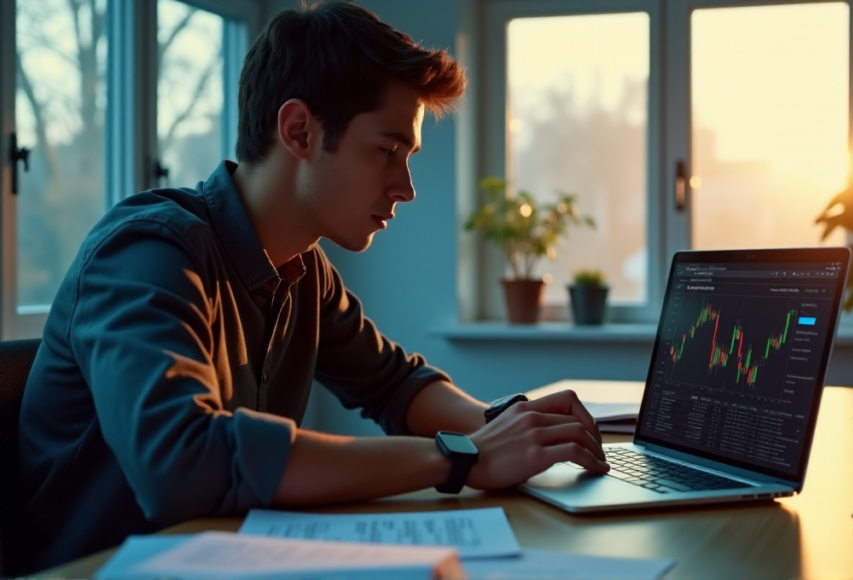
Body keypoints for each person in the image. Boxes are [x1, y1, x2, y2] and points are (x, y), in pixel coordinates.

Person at [16, 1, 609, 572]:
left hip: (224, 560)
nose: (406, 187)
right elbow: (182, 463)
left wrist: (502, 429)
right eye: (387, 151)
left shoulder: (304, 270)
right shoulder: (147, 253)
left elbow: (394, 386)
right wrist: (461, 457)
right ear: (299, 131)